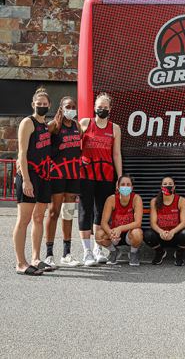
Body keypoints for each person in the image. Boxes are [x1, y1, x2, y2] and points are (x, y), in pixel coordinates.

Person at [12, 87, 53, 275]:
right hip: (29, 176)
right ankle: (21, 263)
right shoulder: (27, 123)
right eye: (39, 104)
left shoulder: (46, 125)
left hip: (44, 177)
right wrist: (26, 180)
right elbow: (22, 152)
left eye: (45, 104)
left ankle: (36, 258)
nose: (42, 106)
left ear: (49, 105)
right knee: (24, 220)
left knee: (38, 218)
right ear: (33, 104)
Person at [78, 93, 122, 266]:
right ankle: (86, 251)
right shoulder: (85, 123)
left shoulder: (115, 128)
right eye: (99, 106)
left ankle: (97, 248)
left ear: (110, 109)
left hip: (106, 175)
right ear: (94, 107)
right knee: (85, 210)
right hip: (86, 174)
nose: (101, 109)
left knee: (101, 212)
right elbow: (73, 146)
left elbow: (116, 154)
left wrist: (120, 177)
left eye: (105, 107)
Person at [43, 96, 82, 268]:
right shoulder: (53, 126)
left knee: (68, 213)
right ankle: (49, 254)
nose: (71, 109)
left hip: (72, 175)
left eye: (73, 106)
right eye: (68, 106)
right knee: (54, 213)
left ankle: (67, 253)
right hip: (57, 175)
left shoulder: (77, 126)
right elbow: (39, 143)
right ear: (61, 108)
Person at [95, 174, 143, 266]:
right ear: (118, 187)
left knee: (138, 233)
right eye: (123, 184)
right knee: (99, 235)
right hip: (115, 234)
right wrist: (110, 233)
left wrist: (120, 228)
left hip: (129, 234)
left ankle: (133, 253)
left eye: (128, 185)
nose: (125, 187)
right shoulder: (111, 199)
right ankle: (114, 251)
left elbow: (138, 222)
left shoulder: (136, 198)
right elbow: (103, 222)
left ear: (132, 187)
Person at [145, 176, 185, 266]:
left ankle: (179, 254)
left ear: (174, 187)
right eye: (165, 184)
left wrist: (172, 232)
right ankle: (160, 252)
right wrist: (161, 232)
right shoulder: (154, 201)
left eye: (170, 184)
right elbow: (153, 223)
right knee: (148, 235)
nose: (168, 186)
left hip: (175, 235)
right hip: (161, 236)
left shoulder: (181, 200)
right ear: (161, 187)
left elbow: (184, 223)